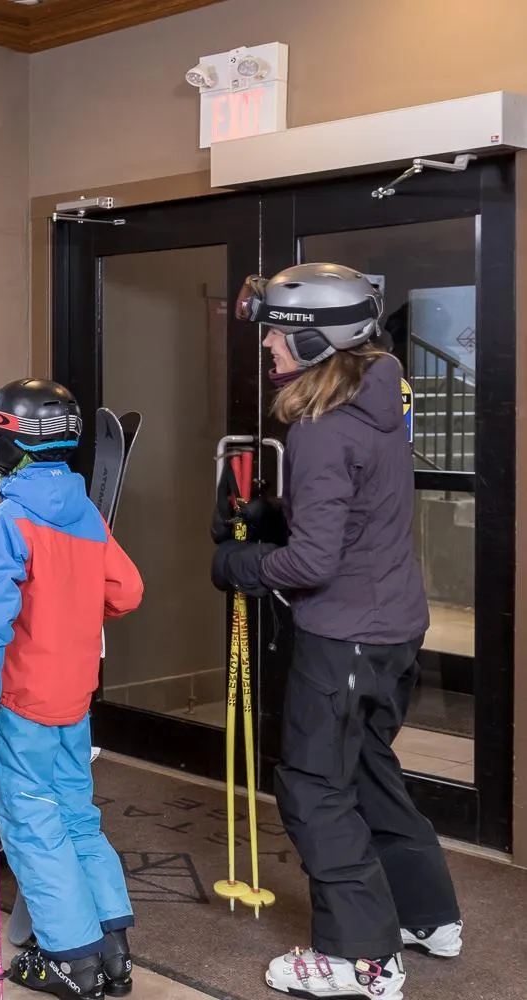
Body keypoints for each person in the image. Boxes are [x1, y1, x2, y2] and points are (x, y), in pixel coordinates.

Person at [212, 263, 462, 999]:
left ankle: (362, 960)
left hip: (345, 633)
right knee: (369, 769)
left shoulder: (322, 430)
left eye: (279, 337)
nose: (268, 349)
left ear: (317, 341)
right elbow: (353, 514)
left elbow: (315, 561)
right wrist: (276, 519)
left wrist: (244, 564)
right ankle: (426, 915)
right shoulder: (381, 400)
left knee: (315, 787)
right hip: (392, 628)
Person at [0, 378, 142, 1000]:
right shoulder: (86, 514)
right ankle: (112, 952)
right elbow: (126, 591)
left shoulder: (7, 520)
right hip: (74, 698)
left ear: (14, 446)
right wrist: (74, 609)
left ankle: (70, 960)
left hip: (22, 699)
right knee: (78, 818)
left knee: (33, 824)